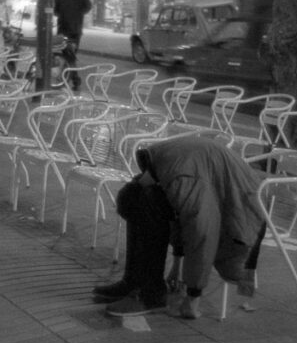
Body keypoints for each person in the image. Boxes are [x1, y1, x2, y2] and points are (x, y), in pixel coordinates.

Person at [94, 135, 268, 319]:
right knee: (145, 204)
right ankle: (133, 281)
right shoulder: (161, 167)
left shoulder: (181, 176)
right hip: (223, 197)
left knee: (148, 207)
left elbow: (202, 232)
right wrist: (177, 265)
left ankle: (150, 295)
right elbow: (179, 212)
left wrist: (193, 295)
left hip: (245, 219)